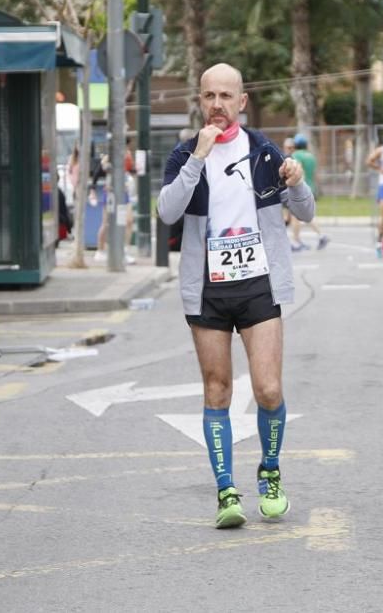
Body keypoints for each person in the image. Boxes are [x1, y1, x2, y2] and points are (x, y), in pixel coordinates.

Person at [157, 63, 315, 529]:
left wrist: (298, 180)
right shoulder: (185, 154)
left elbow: (305, 212)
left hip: (258, 285)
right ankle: (226, 490)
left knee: (268, 389)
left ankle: (270, 473)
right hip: (206, 290)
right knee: (217, 390)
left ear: (242, 101)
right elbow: (168, 212)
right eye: (209, 96)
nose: (218, 105)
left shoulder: (265, 152)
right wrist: (197, 160)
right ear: (200, 100)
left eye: (227, 96)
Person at [94, 142, 135, 265]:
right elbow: (99, 172)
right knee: (106, 223)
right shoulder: (108, 157)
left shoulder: (127, 156)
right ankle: (100, 250)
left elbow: (131, 171)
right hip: (111, 193)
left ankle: (124, 251)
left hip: (123, 193)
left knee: (128, 221)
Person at [287, 133, 329, 252]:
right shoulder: (311, 156)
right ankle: (301, 240)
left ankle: (297, 242)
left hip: (301, 188)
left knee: (296, 216)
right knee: (305, 215)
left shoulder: (295, 155)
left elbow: (297, 171)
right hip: (312, 187)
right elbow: (315, 174)